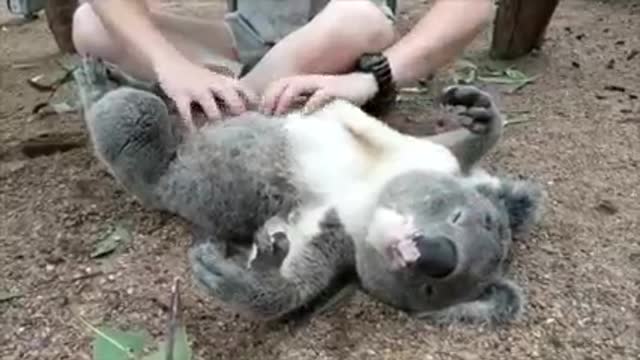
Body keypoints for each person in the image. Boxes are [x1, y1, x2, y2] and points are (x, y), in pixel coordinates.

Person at [72, 0, 495, 130]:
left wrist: (375, 78)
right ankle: (234, 106)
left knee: (356, 20)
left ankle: (214, 126)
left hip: (339, 56)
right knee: (90, 23)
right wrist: (169, 64)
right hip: (246, 43)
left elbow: (471, 7)